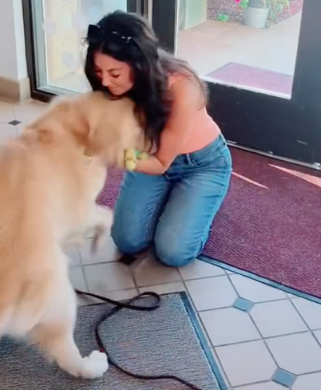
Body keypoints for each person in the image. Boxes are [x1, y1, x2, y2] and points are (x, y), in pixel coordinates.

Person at [84, 11, 233, 267]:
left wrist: (110, 153)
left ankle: (200, 202)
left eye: (114, 73)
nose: (105, 81)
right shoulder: (111, 83)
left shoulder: (182, 86)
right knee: (127, 241)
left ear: (139, 64)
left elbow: (161, 163)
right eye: (99, 71)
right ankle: (172, 202)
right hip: (147, 157)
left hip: (199, 165)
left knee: (173, 253)